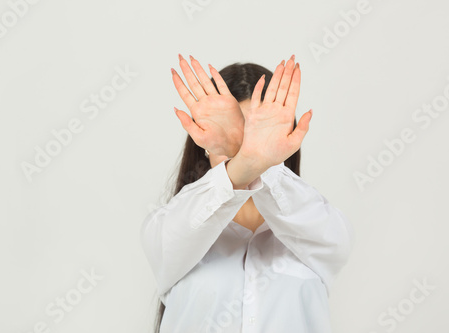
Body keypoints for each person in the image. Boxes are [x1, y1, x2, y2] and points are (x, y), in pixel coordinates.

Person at [140, 54, 355, 332]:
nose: (246, 147)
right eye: (235, 133)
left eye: (256, 133)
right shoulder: (171, 225)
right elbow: (171, 237)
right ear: (202, 143)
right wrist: (244, 163)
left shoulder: (314, 223)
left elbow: (335, 241)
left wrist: (254, 161)